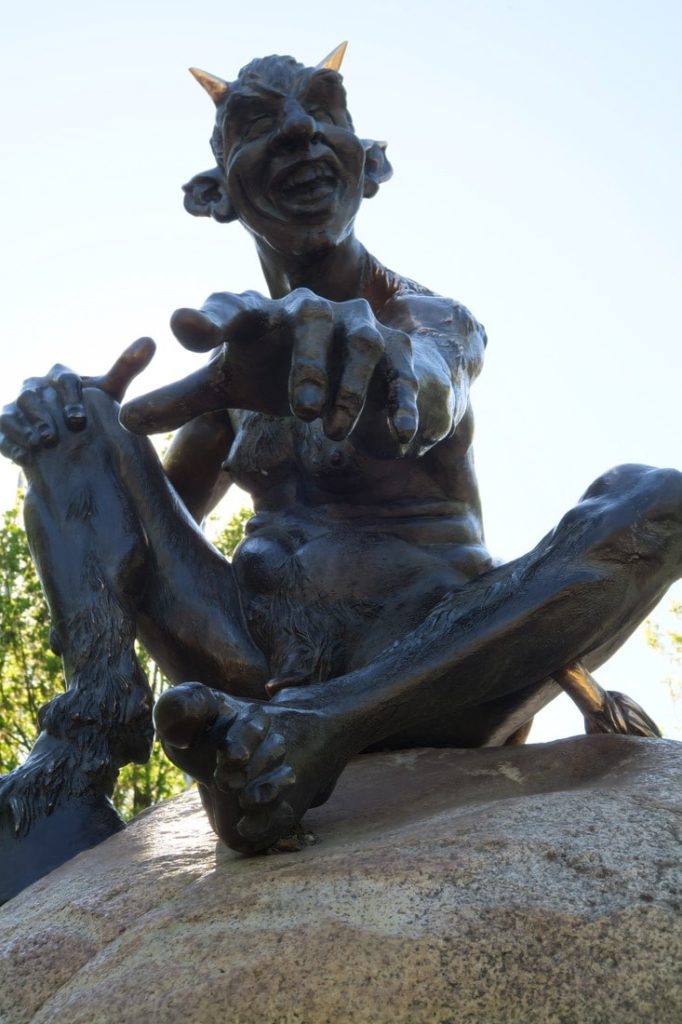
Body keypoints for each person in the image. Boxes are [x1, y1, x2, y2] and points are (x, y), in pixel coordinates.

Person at [1, 46, 680, 870]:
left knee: (657, 497)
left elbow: (433, 391)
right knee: (78, 422)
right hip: (251, 656)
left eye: (324, 111)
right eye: (258, 121)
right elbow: (146, 545)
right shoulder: (237, 373)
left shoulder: (431, 318)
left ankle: (305, 737)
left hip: (434, 662)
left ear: (371, 165)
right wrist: (81, 450)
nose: (299, 132)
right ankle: (76, 768)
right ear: (214, 194)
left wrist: (390, 369)